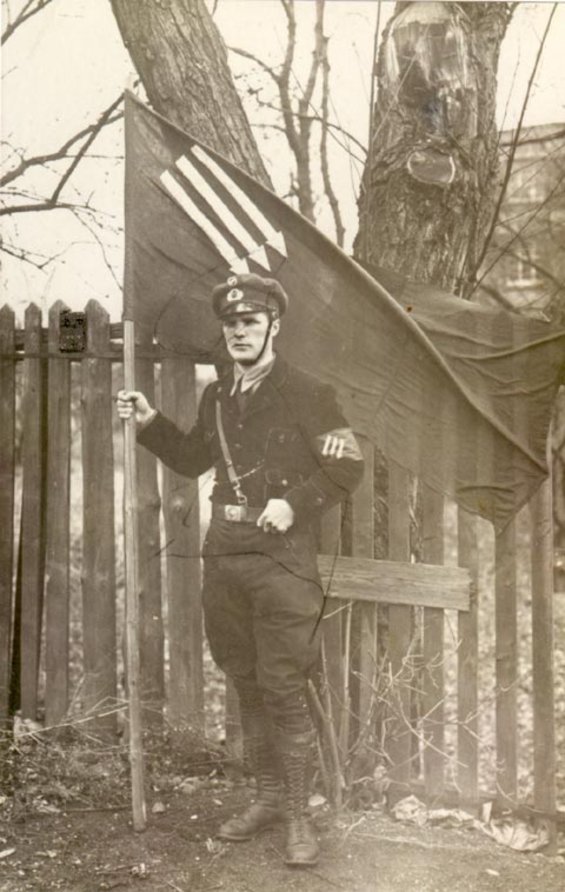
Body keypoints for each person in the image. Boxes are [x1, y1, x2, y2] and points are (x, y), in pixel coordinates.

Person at [117, 273, 364, 867]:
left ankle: (301, 816)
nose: (238, 331)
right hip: (225, 552)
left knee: (282, 685)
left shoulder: (308, 391)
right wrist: (150, 421)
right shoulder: (218, 397)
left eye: (250, 322)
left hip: (281, 559)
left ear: (273, 326)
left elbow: (347, 466)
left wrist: (293, 502)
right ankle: (269, 798)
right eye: (230, 324)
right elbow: (194, 458)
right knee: (246, 680)